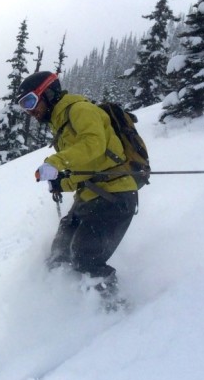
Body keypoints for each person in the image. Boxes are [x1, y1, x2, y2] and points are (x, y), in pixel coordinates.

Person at [17, 71, 138, 303]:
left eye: (31, 101)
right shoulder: (61, 124)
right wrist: (63, 183)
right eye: (24, 106)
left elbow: (95, 145)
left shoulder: (80, 110)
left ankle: (116, 310)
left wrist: (56, 161)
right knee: (59, 253)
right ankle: (59, 305)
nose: (30, 111)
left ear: (48, 93)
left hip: (116, 196)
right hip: (91, 196)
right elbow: (87, 169)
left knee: (85, 257)